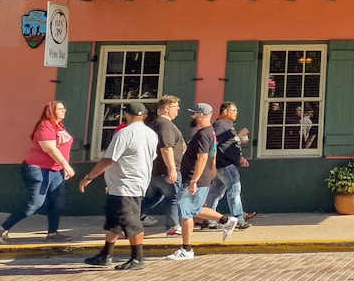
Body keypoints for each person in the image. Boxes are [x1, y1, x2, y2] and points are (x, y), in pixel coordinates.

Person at [79, 101, 158, 270]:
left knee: (131, 221)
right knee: (113, 222)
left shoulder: (124, 133)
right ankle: (105, 255)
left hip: (125, 184)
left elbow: (109, 159)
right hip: (132, 182)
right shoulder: (151, 134)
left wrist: (89, 177)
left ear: (127, 115)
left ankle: (138, 258)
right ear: (143, 116)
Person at [164, 103, 238, 260]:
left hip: (195, 178)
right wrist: (211, 170)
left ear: (201, 115)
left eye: (194, 114)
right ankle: (226, 220)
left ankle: (187, 249)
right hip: (200, 178)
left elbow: (203, 156)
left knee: (185, 212)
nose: (192, 116)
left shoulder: (203, 134)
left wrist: (194, 180)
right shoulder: (210, 132)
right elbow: (213, 153)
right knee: (195, 209)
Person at [0, 101, 75, 243]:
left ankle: (52, 233)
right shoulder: (45, 126)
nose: (64, 110)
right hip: (38, 169)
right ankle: (4, 228)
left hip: (56, 171)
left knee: (56, 202)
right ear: (51, 111)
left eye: (64, 108)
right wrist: (66, 165)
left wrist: (62, 167)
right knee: (35, 203)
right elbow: (49, 148)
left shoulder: (59, 127)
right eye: (60, 109)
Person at [204, 101, 254, 230]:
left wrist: (240, 156)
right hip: (225, 165)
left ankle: (210, 219)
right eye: (234, 110)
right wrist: (239, 136)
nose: (236, 113)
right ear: (225, 111)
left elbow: (229, 144)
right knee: (234, 190)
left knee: (215, 193)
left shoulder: (225, 125)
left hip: (222, 164)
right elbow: (218, 145)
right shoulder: (221, 125)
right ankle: (238, 219)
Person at [141, 95, 185, 236]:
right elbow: (166, 148)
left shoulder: (155, 123)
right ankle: (173, 226)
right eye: (175, 107)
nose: (178, 109)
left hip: (155, 170)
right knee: (174, 197)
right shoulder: (164, 124)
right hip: (165, 170)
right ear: (167, 108)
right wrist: (172, 169)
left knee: (153, 197)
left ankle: (127, 219)